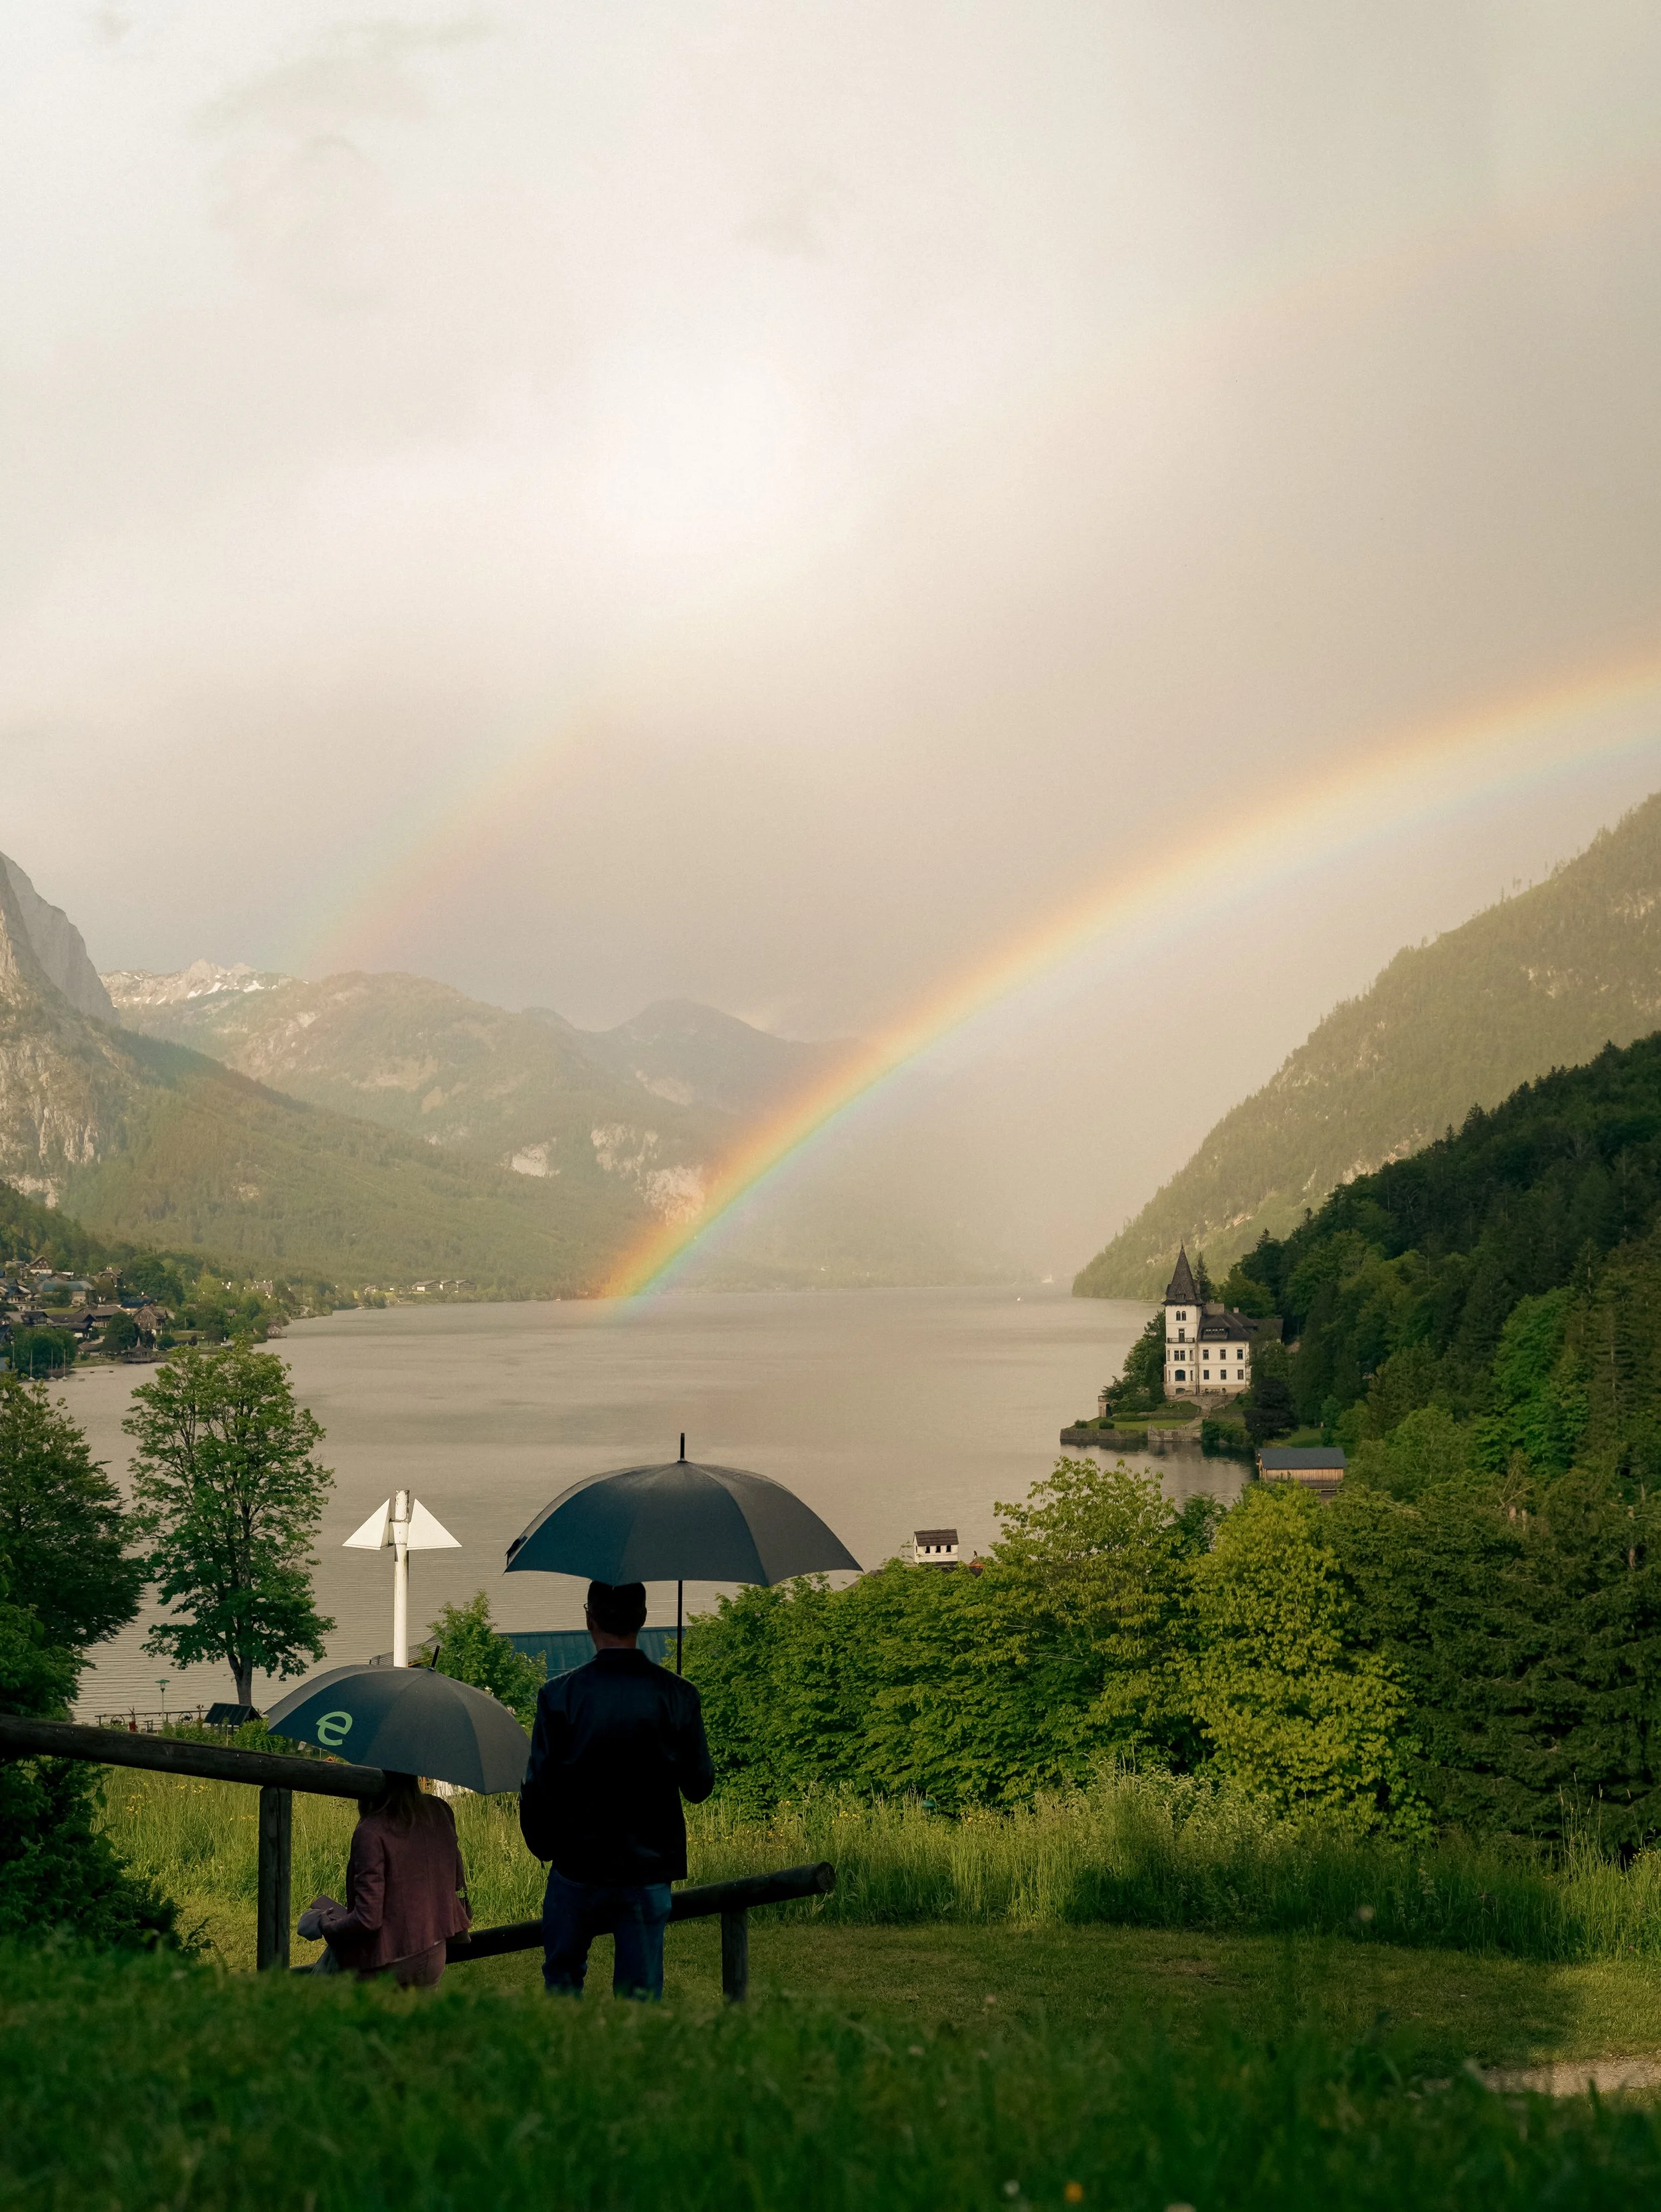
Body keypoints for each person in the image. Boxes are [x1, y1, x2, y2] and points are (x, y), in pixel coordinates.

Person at [519, 1578, 715, 1999]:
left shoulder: (557, 1696)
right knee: (640, 1997)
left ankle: (566, 2062)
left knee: (562, 1985)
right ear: (643, 1619)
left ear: (589, 1618)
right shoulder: (677, 1694)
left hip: (576, 1866)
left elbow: (538, 1786)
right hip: (647, 1869)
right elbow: (699, 1787)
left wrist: (544, 1846)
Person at [297, 1770, 472, 1987]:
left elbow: (367, 1919)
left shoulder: (371, 1831)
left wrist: (325, 1924)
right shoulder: (439, 1809)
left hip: (388, 1963)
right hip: (435, 1953)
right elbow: (456, 1879)